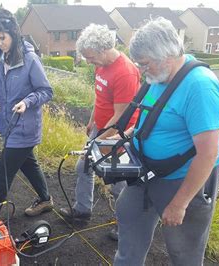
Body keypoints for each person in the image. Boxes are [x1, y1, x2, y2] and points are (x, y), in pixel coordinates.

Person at [114, 17, 219, 265]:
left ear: (166, 56)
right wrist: (119, 138)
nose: (141, 71)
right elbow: (151, 120)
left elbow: (207, 154)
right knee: (128, 214)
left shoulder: (200, 87)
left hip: (182, 178)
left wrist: (179, 204)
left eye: (144, 64)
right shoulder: (159, 76)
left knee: (182, 248)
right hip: (146, 172)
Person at [58, 24, 140, 240]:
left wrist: (95, 143)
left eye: (91, 57)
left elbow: (120, 119)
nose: (88, 61)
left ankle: (126, 226)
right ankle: (82, 210)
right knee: (84, 166)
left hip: (117, 135)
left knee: (118, 183)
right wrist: (92, 120)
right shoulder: (101, 65)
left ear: (104, 49)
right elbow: (100, 96)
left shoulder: (126, 72)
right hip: (101, 127)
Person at [0, 9, 53, 224]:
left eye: (3, 37)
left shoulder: (30, 59)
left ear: (14, 34)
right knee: (28, 164)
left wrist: (27, 102)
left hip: (25, 128)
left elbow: (46, 91)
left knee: (3, 171)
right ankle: (46, 199)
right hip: (7, 125)